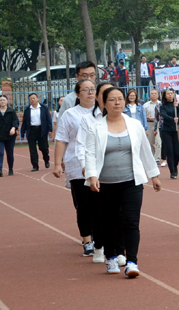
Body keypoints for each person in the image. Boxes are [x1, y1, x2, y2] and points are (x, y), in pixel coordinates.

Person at [84, 86, 160, 277]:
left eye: (120, 98)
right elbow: (90, 153)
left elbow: (145, 150)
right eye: (112, 99)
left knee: (131, 222)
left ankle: (132, 262)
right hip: (105, 184)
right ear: (104, 103)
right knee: (108, 222)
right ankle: (110, 257)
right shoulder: (96, 127)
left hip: (131, 182)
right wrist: (92, 176)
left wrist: (154, 175)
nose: (117, 102)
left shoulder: (134, 125)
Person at [53, 79, 103, 262]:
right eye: (86, 90)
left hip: (100, 165)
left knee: (100, 205)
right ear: (77, 94)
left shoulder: (102, 113)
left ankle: (100, 238)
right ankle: (87, 240)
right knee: (84, 205)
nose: (90, 92)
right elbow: (61, 139)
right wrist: (57, 164)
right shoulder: (70, 114)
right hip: (76, 166)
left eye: (93, 89)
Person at [21, 93, 52, 172]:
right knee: (32, 149)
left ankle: (46, 159)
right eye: (30, 99)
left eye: (34, 98)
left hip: (42, 130)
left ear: (37, 99)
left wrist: (50, 130)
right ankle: (35, 165)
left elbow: (48, 119)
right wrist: (22, 133)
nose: (32, 100)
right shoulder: (27, 110)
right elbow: (24, 122)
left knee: (44, 148)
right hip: (31, 130)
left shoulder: (44, 108)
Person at [157, 89, 179, 179]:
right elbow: (164, 115)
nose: (170, 95)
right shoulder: (162, 106)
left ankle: (175, 166)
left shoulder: (178, 105)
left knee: (177, 152)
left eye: (171, 93)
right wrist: (172, 119)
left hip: (176, 130)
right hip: (166, 130)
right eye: (168, 94)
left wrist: (178, 107)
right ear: (165, 96)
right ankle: (172, 171)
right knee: (170, 151)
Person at [0, 95, 18, 176]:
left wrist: (13, 128)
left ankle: (10, 168)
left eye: (4, 100)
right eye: (1, 100)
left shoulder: (11, 111)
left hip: (10, 136)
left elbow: (15, 121)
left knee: (10, 153)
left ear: (7, 101)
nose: (2, 101)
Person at [143, 88, 161, 162]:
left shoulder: (161, 104)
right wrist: (147, 117)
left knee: (158, 142)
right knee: (151, 142)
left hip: (158, 124)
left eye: (155, 94)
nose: (153, 95)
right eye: (152, 94)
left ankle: (157, 158)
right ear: (149, 96)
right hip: (149, 123)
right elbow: (143, 115)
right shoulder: (145, 105)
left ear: (158, 95)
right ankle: (152, 157)